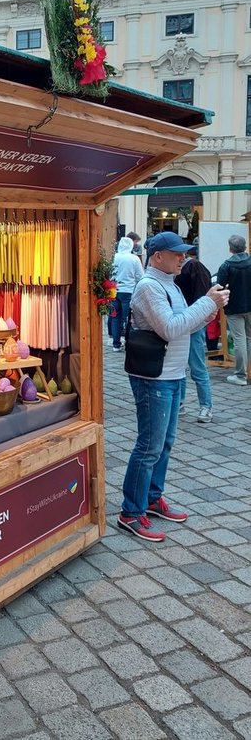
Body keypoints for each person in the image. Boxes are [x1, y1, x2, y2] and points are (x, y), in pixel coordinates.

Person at [118, 231, 229, 542]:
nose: (183, 258)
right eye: (177, 253)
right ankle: (130, 512)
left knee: (163, 444)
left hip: (171, 375)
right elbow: (169, 328)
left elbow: (185, 324)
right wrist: (206, 302)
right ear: (157, 256)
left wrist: (208, 308)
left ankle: (151, 499)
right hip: (154, 379)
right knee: (149, 446)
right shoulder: (149, 287)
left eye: (184, 253)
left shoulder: (168, 285)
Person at [174, 247, 214, 422]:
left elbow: (203, 298)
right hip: (178, 323)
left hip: (193, 325)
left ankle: (206, 406)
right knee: (179, 368)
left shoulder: (195, 267)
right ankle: (180, 404)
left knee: (197, 368)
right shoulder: (173, 270)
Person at [216, 234, 251, 386]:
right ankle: (248, 371)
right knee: (249, 339)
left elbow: (220, 287)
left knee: (239, 340)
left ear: (230, 249)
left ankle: (241, 375)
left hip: (234, 306)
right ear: (245, 247)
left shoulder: (226, 265)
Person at [111, 236, 144, 352]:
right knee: (129, 318)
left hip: (114, 291)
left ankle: (116, 344)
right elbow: (140, 276)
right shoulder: (134, 259)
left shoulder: (113, 257)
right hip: (129, 291)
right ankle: (129, 342)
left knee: (115, 318)